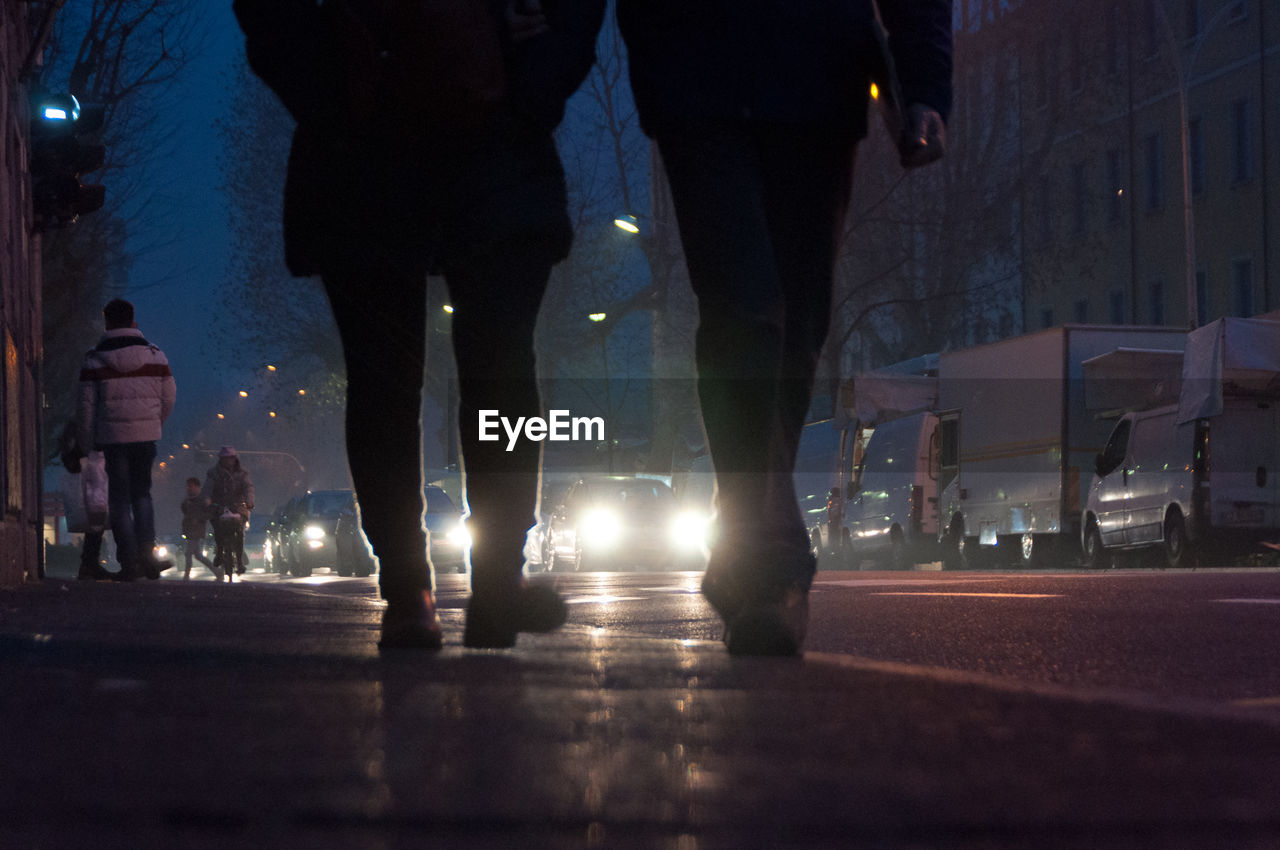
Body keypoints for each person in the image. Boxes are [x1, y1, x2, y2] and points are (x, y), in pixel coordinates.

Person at [234, 0, 605, 648]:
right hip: (447, 142)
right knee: (484, 375)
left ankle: (421, 590)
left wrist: (332, 91)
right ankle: (460, 582)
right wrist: (531, 83)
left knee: (414, 379)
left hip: (400, 144)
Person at [616, 1, 953, 654]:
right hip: (700, 75)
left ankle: (744, 530)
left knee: (798, 324)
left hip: (816, 79)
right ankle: (766, 550)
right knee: (743, 309)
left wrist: (925, 85)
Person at [78, 298, 177, 581]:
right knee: (142, 494)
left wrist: (87, 442)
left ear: (106, 322)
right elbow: (169, 396)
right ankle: (148, 554)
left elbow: (85, 406)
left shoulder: (94, 360)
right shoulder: (156, 356)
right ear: (133, 321)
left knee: (119, 499)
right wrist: (153, 424)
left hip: (111, 438)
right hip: (145, 438)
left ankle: (129, 562)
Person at [202, 447, 255, 580]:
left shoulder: (243, 474)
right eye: (226, 458)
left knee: (240, 532)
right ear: (221, 459)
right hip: (218, 507)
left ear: (235, 459)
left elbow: (248, 488)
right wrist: (207, 500)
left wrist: (249, 502)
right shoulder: (213, 473)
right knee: (217, 529)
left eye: (231, 458)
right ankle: (219, 552)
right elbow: (207, 489)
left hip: (237, 507)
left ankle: (240, 561)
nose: (229, 461)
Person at [181, 477, 218, 580]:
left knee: (188, 553)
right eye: (188, 486)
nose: (188, 488)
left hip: (196, 530)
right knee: (198, 555)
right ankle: (217, 572)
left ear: (197, 487)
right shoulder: (188, 500)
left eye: (190, 486)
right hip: (190, 529)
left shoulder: (202, 499)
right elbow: (185, 511)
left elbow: (209, 514)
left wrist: (198, 518)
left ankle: (186, 576)